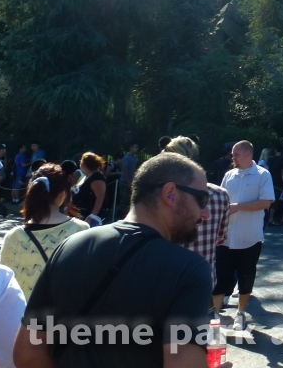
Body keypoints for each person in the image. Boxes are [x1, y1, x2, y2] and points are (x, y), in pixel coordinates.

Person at [13, 152, 230, 368]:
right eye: (202, 200)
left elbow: (28, 354)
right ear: (170, 194)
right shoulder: (189, 270)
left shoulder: (70, 246)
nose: (206, 213)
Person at [0, 163, 88, 299]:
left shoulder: (14, 237)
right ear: (63, 194)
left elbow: (2, 286)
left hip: (24, 316)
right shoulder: (81, 230)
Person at [214, 140, 274, 333]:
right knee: (220, 277)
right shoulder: (229, 175)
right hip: (226, 236)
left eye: (236, 154)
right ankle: (215, 315)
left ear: (248, 154)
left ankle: (240, 313)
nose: (233, 158)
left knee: (246, 276)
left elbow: (266, 202)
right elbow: (221, 201)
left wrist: (239, 207)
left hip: (250, 237)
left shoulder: (263, 175)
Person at [163, 136, 231, 293]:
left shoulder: (162, 195)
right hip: (204, 279)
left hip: (167, 281)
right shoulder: (221, 194)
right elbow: (220, 238)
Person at [71, 152, 106, 227]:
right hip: (79, 216)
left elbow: (100, 198)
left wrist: (92, 216)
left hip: (89, 218)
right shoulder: (86, 176)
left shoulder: (97, 177)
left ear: (85, 164)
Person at [267, 146, 283, 225]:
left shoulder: (270, 159)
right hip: (278, 182)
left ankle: (267, 218)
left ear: (275, 150)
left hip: (270, 181)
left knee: (268, 199)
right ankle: (271, 219)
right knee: (275, 201)